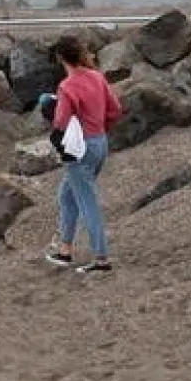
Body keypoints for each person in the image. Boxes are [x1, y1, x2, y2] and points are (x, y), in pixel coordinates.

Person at [43, 36, 123, 273]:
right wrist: (101, 128)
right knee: (67, 195)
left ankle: (101, 258)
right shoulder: (97, 77)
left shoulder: (67, 86)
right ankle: (65, 250)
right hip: (100, 142)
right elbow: (115, 109)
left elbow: (60, 121)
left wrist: (48, 108)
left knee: (87, 202)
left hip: (80, 150)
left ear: (60, 58)